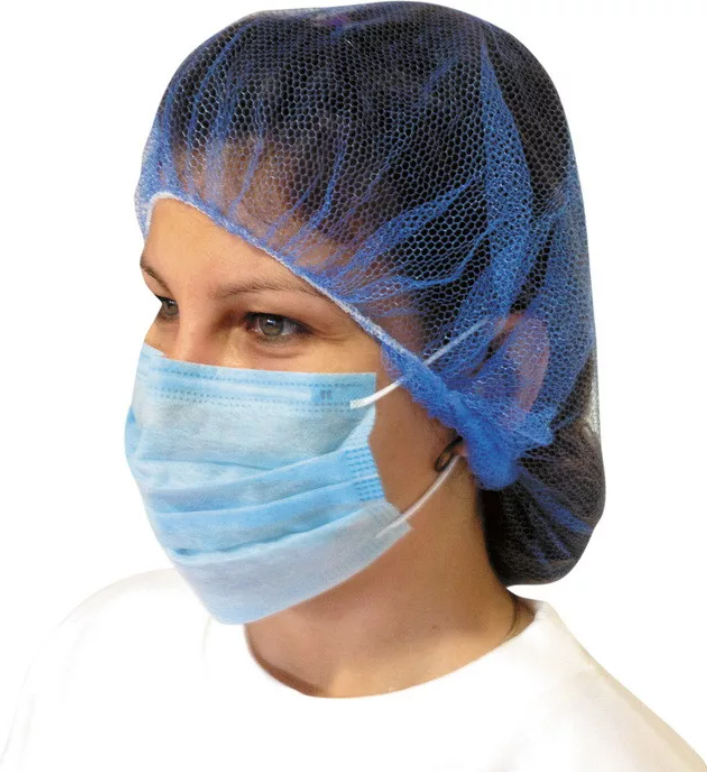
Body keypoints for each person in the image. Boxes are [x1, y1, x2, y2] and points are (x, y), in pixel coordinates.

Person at [1, 2, 704, 770]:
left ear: (495, 375)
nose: (177, 384)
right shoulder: (98, 662)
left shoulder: (593, 757)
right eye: (167, 304)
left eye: (270, 323)